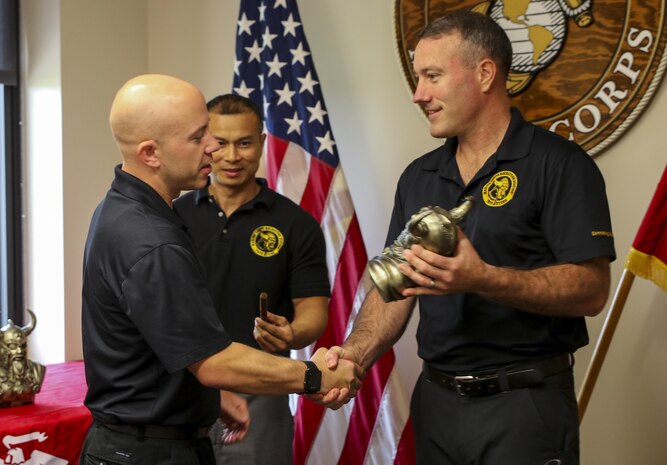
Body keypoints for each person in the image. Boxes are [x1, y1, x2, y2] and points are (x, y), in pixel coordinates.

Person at [323, 10, 615, 465]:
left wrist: (483, 278)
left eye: (432, 76)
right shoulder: (418, 176)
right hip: (437, 404)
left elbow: (592, 290)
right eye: (418, 78)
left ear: (484, 74)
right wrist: (355, 356)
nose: (418, 94)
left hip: (523, 405)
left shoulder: (559, 165)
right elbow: (396, 287)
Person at [80, 74, 363, 465]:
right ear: (150, 153)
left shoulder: (125, 208)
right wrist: (314, 377)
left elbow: (166, 339)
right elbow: (212, 362)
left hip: (186, 418)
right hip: (151, 447)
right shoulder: (151, 238)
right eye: (199, 138)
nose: (215, 149)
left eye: (238, 141)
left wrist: (206, 394)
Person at [174, 94, 329, 465]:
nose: (231, 156)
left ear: (261, 142)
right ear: (205, 144)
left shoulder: (296, 224)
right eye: (221, 143)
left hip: (262, 393)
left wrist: (292, 333)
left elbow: (314, 314)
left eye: (244, 143)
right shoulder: (170, 217)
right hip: (182, 393)